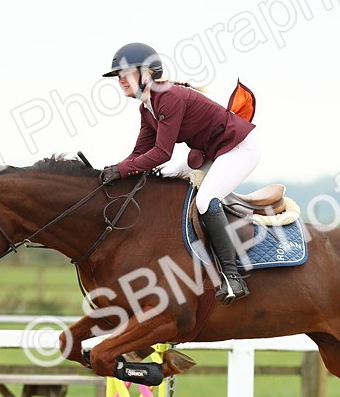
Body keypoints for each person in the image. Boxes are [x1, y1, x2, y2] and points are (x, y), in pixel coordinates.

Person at [100, 42, 260, 304]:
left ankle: (232, 277)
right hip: (214, 153)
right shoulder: (146, 107)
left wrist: (122, 170)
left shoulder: (168, 96)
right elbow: (140, 153)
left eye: (125, 74)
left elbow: (162, 152)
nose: (120, 81)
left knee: (207, 200)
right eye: (118, 77)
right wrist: (113, 172)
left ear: (147, 73)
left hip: (240, 148)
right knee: (167, 179)